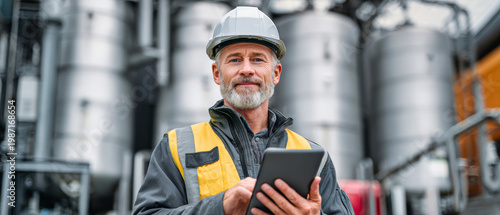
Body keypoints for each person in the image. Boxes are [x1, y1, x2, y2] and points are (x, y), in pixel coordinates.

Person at [132, 6, 354, 215]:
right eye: (235, 59)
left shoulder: (314, 158)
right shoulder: (176, 147)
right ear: (217, 73)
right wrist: (220, 206)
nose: (246, 69)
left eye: (257, 59)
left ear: (276, 73)